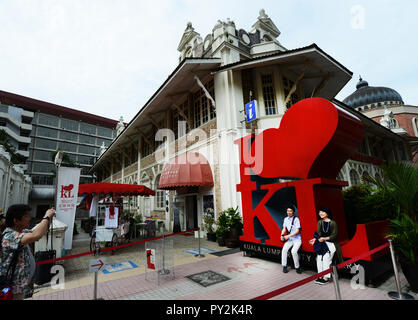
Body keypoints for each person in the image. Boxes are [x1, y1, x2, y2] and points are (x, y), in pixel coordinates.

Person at [1, 204, 55, 300]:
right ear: (16, 221)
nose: (29, 218)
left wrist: (49, 218)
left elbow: (41, 231)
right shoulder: (9, 236)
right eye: (26, 216)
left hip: (22, 286)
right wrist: (46, 216)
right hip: (13, 289)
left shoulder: (22, 232)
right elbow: (36, 235)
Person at [309, 206, 343, 285]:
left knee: (326, 260)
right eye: (320, 212)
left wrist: (324, 238)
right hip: (322, 244)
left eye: (323, 212)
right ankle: (320, 276)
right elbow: (319, 234)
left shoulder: (333, 223)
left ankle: (326, 277)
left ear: (327, 213)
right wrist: (314, 239)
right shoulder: (320, 222)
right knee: (319, 259)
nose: (320, 213)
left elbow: (334, 235)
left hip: (331, 244)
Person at [280, 206, 302, 274]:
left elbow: (298, 231)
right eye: (287, 211)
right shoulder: (285, 219)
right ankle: (284, 266)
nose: (288, 212)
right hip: (290, 239)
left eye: (290, 211)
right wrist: (281, 235)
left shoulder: (296, 219)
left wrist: (288, 236)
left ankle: (297, 267)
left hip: (297, 239)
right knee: (284, 250)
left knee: (294, 252)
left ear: (293, 212)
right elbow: (284, 228)